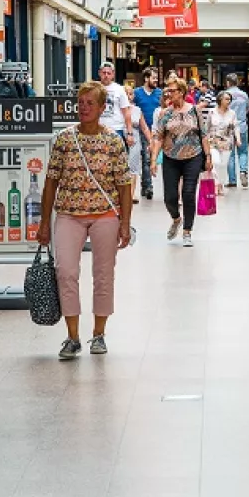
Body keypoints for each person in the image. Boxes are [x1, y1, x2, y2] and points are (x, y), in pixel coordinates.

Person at [37, 81, 133, 359]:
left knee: (103, 274)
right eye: (80, 103)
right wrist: (45, 222)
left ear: (103, 108)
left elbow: (125, 185)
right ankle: (72, 336)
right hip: (69, 213)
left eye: (90, 103)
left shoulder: (113, 141)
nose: (84, 108)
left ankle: (99, 334)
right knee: (66, 271)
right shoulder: (65, 139)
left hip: (105, 214)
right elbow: (51, 181)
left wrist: (125, 223)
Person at [150, 77, 212, 247]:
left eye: (173, 90)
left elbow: (204, 134)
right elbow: (158, 137)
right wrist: (154, 159)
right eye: (168, 90)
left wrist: (208, 156)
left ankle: (187, 231)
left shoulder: (195, 111)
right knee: (170, 197)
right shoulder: (165, 113)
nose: (169, 93)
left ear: (182, 92)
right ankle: (176, 218)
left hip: (193, 156)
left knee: (188, 193)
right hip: (171, 157)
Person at [132, 68, 162, 200]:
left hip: (156, 131)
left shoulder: (159, 93)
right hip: (141, 130)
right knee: (146, 158)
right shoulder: (137, 93)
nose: (156, 80)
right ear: (146, 78)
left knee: (151, 158)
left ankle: (146, 185)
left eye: (157, 78)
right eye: (153, 77)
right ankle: (147, 186)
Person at [207, 91, 240, 195]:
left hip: (227, 143)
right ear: (220, 100)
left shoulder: (232, 113)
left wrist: (238, 139)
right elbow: (206, 128)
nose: (228, 101)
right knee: (215, 162)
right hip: (213, 142)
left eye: (229, 99)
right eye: (226, 99)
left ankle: (220, 185)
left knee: (223, 165)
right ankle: (216, 184)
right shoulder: (212, 112)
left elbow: (236, 127)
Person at [125, 86, 153, 204]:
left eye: (130, 94)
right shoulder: (117, 110)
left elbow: (145, 128)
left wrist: (151, 142)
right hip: (121, 138)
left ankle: (131, 194)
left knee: (133, 166)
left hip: (135, 139)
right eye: (125, 93)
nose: (128, 96)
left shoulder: (137, 110)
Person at [98, 62, 134, 150]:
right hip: (98, 129)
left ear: (113, 74)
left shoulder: (119, 89)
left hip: (116, 129)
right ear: (99, 73)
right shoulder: (95, 88)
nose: (106, 75)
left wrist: (130, 133)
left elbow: (126, 112)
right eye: (104, 73)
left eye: (109, 73)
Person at [224, 73, 249, 188]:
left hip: (228, 127)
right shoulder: (243, 95)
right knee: (243, 151)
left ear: (228, 83)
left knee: (230, 154)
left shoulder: (225, 95)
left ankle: (232, 180)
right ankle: (243, 171)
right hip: (242, 125)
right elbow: (247, 109)